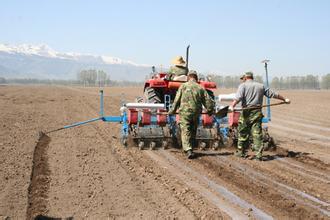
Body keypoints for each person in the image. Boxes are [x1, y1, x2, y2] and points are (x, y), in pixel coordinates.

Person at [230, 71, 290, 161]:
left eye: (243, 79)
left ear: (245, 78)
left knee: (243, 133)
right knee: (257, 134)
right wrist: (284, 99)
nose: (243, 80)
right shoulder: (260, 86)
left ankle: (241, 153)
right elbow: (273, 94)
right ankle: (258, 155)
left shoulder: (243, 86)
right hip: (257, 112)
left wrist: (232, 106)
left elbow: (238, 98)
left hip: (246, 112)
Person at [168, 70, 215, 159]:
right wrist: (210, 110)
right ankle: (191, 148)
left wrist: (172, 111)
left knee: (186, 130)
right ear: (196, 78)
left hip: (185, 113)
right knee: (193, 130)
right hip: (196, 113)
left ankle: (188, 150)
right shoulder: (200, 87)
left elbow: (177, 100)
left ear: (188, 77)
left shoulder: (183, 86)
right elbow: (208, 101)